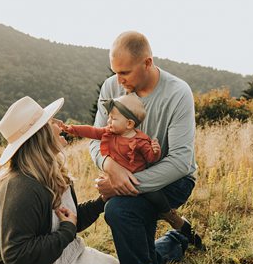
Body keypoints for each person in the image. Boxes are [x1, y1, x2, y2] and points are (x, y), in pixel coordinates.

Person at [0, 96, 128, 264]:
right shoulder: (21, 187)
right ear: (40, 136)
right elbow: (16, 255)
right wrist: (66, 232)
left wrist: (102, 201)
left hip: (52, 260)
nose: (59, 124)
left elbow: (68, 219)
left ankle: (172, 244)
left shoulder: (53, 173)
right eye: (52, 122)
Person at [90, 31, 201, 264]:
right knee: (128, 224)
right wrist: (108, 164)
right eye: (114, 72)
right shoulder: (111, 88)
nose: (118, 80)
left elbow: (180, 161)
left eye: (125, 72)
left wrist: (123, 183)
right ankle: (174, 242)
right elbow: (96, 142)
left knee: (117, 209)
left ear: (148, 63)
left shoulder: (177, 93)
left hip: (172, 181)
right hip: (130, 177)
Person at [61, 93, 196, 236]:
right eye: (109, 117)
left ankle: (168, 214)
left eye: (113, 118)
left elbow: (151, 158)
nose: (108, 121)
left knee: (154, 195)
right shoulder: (108, 133)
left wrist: (155, 151)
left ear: (129, 124)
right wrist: (73, 129)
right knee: (109, 197)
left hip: (137, 179)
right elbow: (92, 131)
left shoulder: (140, 140)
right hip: (118, 179)